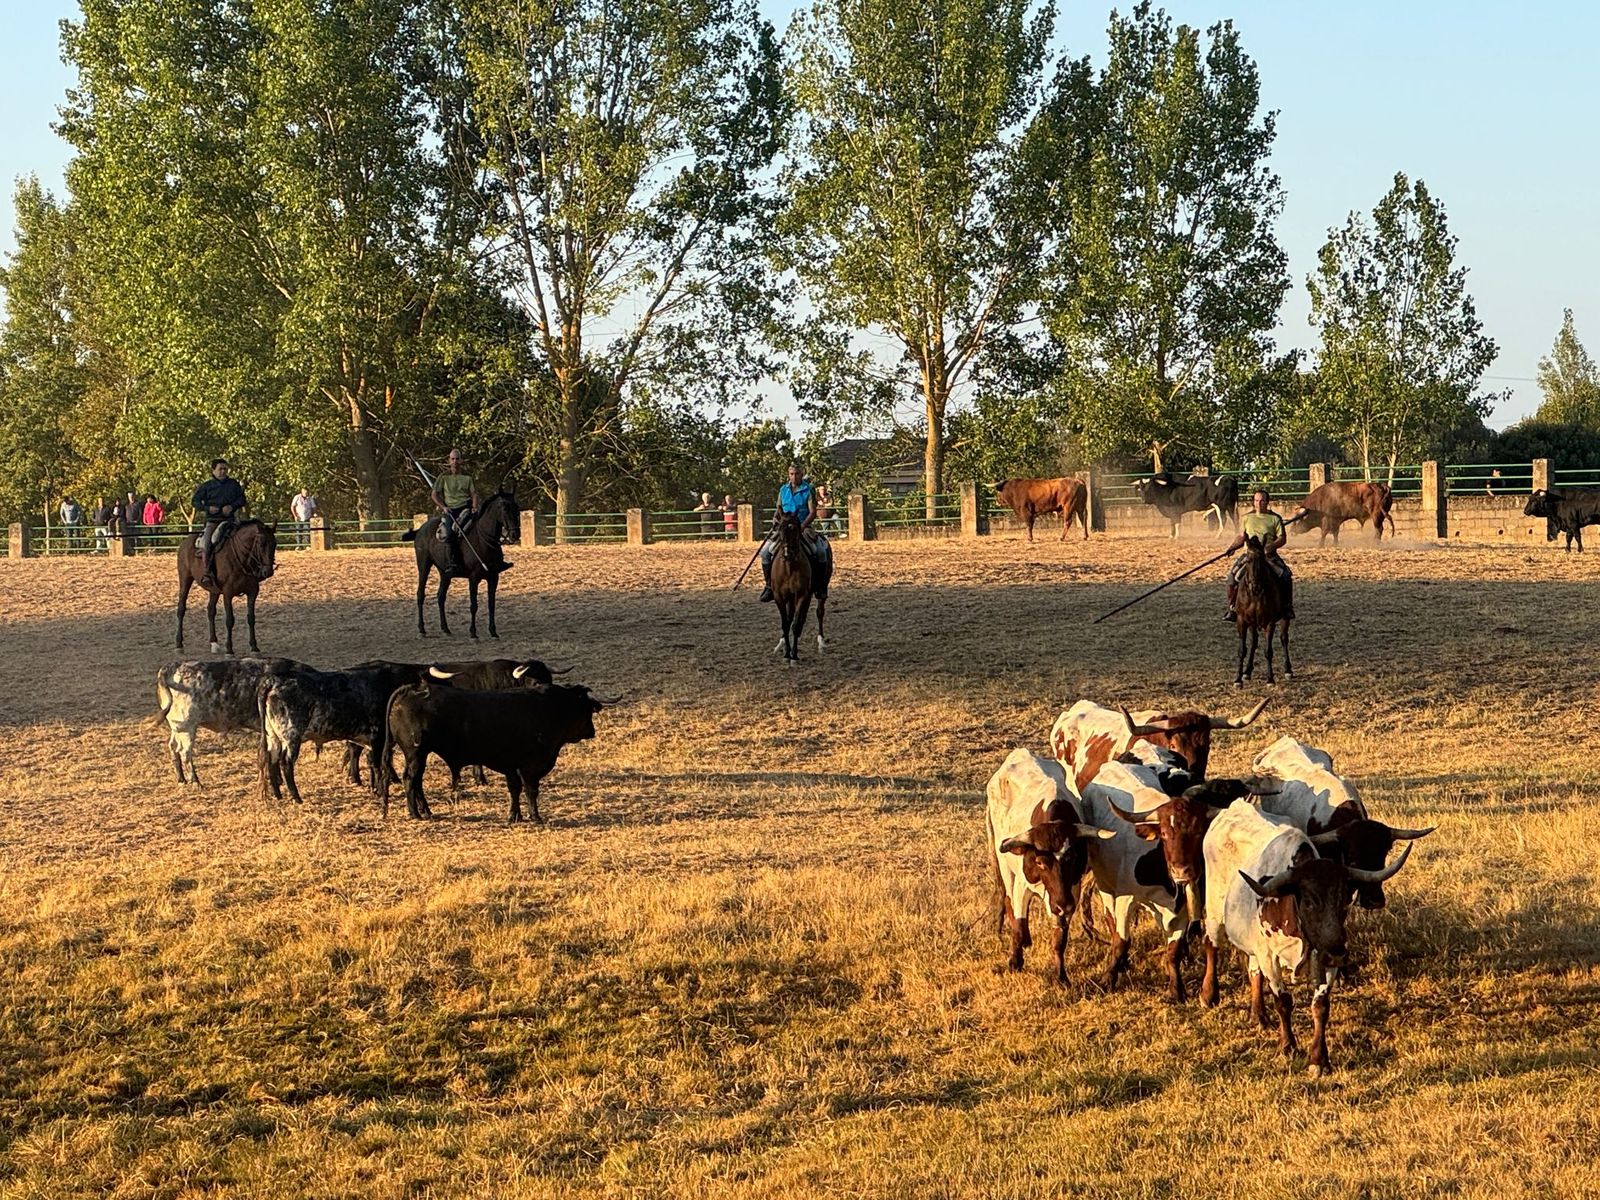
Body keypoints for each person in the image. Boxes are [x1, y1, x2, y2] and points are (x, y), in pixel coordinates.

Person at [758, 462, 832, 602]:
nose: (794, 477)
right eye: (791, 474)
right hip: (785, 528)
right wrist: (776, 520)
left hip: (803, 527)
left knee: (820, 551)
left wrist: (802, 526)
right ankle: (769, 586)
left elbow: (812, 512)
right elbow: (778, 509)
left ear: (802, 474)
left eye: (797, 474)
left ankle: (820, 586)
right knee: (766, 552)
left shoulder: (808, 489)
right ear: (788, 475)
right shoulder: (783, 490)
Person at [1223, 487, 1294, 622]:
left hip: (1269, 556)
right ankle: (1232, 608)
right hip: (1249, 555)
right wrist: (1232, 547)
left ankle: (1287, 607)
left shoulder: (1275, 519)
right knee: (1232, 576)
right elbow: (1241, 536)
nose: (1258, 503)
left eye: (1261, 501)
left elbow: (1282, 538)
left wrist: (1270, 546)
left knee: (1285, 575)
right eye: (1256, 500)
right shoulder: (1247, 518)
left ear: (1267, 502)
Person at [430, 448, 489, 574]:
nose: (455, 461)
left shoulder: (467, 477)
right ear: (449, 461)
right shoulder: (443, 477)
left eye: (457, 459)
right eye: (452, 459)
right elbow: (434, 495)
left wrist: (474, 506)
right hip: (450, 510)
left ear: (461, 460)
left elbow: (473, 494)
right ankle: (452, 563)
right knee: (450, 533)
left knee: (480, 528)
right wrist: (443, 507)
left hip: (465, 508)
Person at [192, 458, 248, 586]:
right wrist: (207, 508)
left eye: (225, 469)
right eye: (220, 469)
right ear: (213, 470)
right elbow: (195, 501)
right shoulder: (206, 486)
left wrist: (232, 507)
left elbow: (242, 499)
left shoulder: (233, 484)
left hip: (231, 521)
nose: (223, 471)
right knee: (206, 543)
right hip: (213, 521)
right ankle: (207, 572)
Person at [122, 490, 141, 555]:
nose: (131, 497)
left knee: (136, 537)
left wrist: (137, 520)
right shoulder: (126, 505)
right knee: (129, 537)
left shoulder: (137, 504)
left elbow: (140, 513)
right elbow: (124, 514)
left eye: (132, 496)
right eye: (129, 496)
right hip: (128, 524)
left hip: (136, 523)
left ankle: (137, 550)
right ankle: (131, 551)